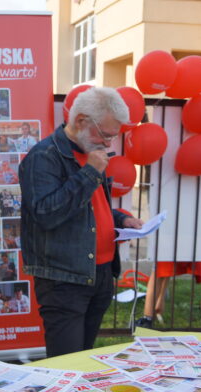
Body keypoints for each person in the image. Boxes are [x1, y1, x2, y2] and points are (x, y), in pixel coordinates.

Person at [19, 87, 144, 357]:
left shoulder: (91, 153)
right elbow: (45, 214)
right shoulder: (44, 157)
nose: (109, 144)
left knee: (84, 358)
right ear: (80, 121)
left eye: (113, 136)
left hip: (99, 274)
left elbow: (91, 207)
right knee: (67, 362)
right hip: (64, 279)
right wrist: (89, 174)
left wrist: (123, 219)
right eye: (106, 135)